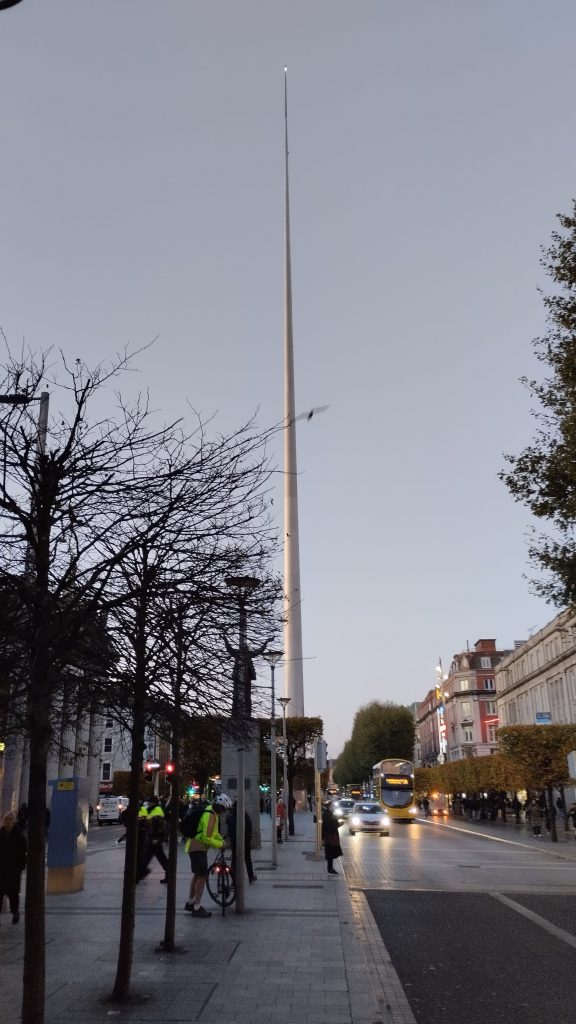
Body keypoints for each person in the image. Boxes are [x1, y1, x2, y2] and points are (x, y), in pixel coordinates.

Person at [184, 793, 230, 918]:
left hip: (194, 846)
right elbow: (206, 837)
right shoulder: (210, 816)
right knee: (202, 876)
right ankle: (197, 907)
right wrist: (219, 844)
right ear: (220, 806)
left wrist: (221, 840)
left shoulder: (211, 812)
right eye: (224, 808)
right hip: (198, 847)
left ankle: (190, 902)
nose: (224, 811)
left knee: (197, 875)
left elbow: (213, 833)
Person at [0, 811, 27, 924]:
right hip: (1, 869)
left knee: (13, 893)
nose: (7, 821)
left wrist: (19, 867)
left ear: (14, 821)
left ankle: (15, 912)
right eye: (6, 819)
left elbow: (22, 852)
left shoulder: (19, 836)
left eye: (10, 819)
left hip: (13, 870)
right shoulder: (0, 834)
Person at [226, 801, 256, 884]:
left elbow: (228, 826)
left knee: (234, 860)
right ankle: (250, 877)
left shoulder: (231, 815)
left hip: (234, 841)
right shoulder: (245, 815)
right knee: (247, 859)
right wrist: (248, 839)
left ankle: (233, 880)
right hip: (245, 841)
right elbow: (249, 828)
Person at [144, 795, 169, 882]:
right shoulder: (150, 810)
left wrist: (158, 838)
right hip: (151, 837)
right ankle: (141, 872)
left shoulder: (157, 810)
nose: (149, 803)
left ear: (154, 802)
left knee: (157, 857)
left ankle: (141, 873)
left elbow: (160, 826)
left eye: (150, 802)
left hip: (155, 838)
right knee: (157, 857)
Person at [321, 800, 343, 875]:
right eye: (333, 806)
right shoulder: (327, 814)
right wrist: (339, 824)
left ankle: (330, 868)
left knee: (330, 852)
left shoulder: (329, 813)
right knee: (330, 852)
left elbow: (331, 824)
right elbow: (329, 825)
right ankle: (330, 869)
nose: (334, 807)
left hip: (330, 836)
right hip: (330, 836)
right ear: (329, 807)